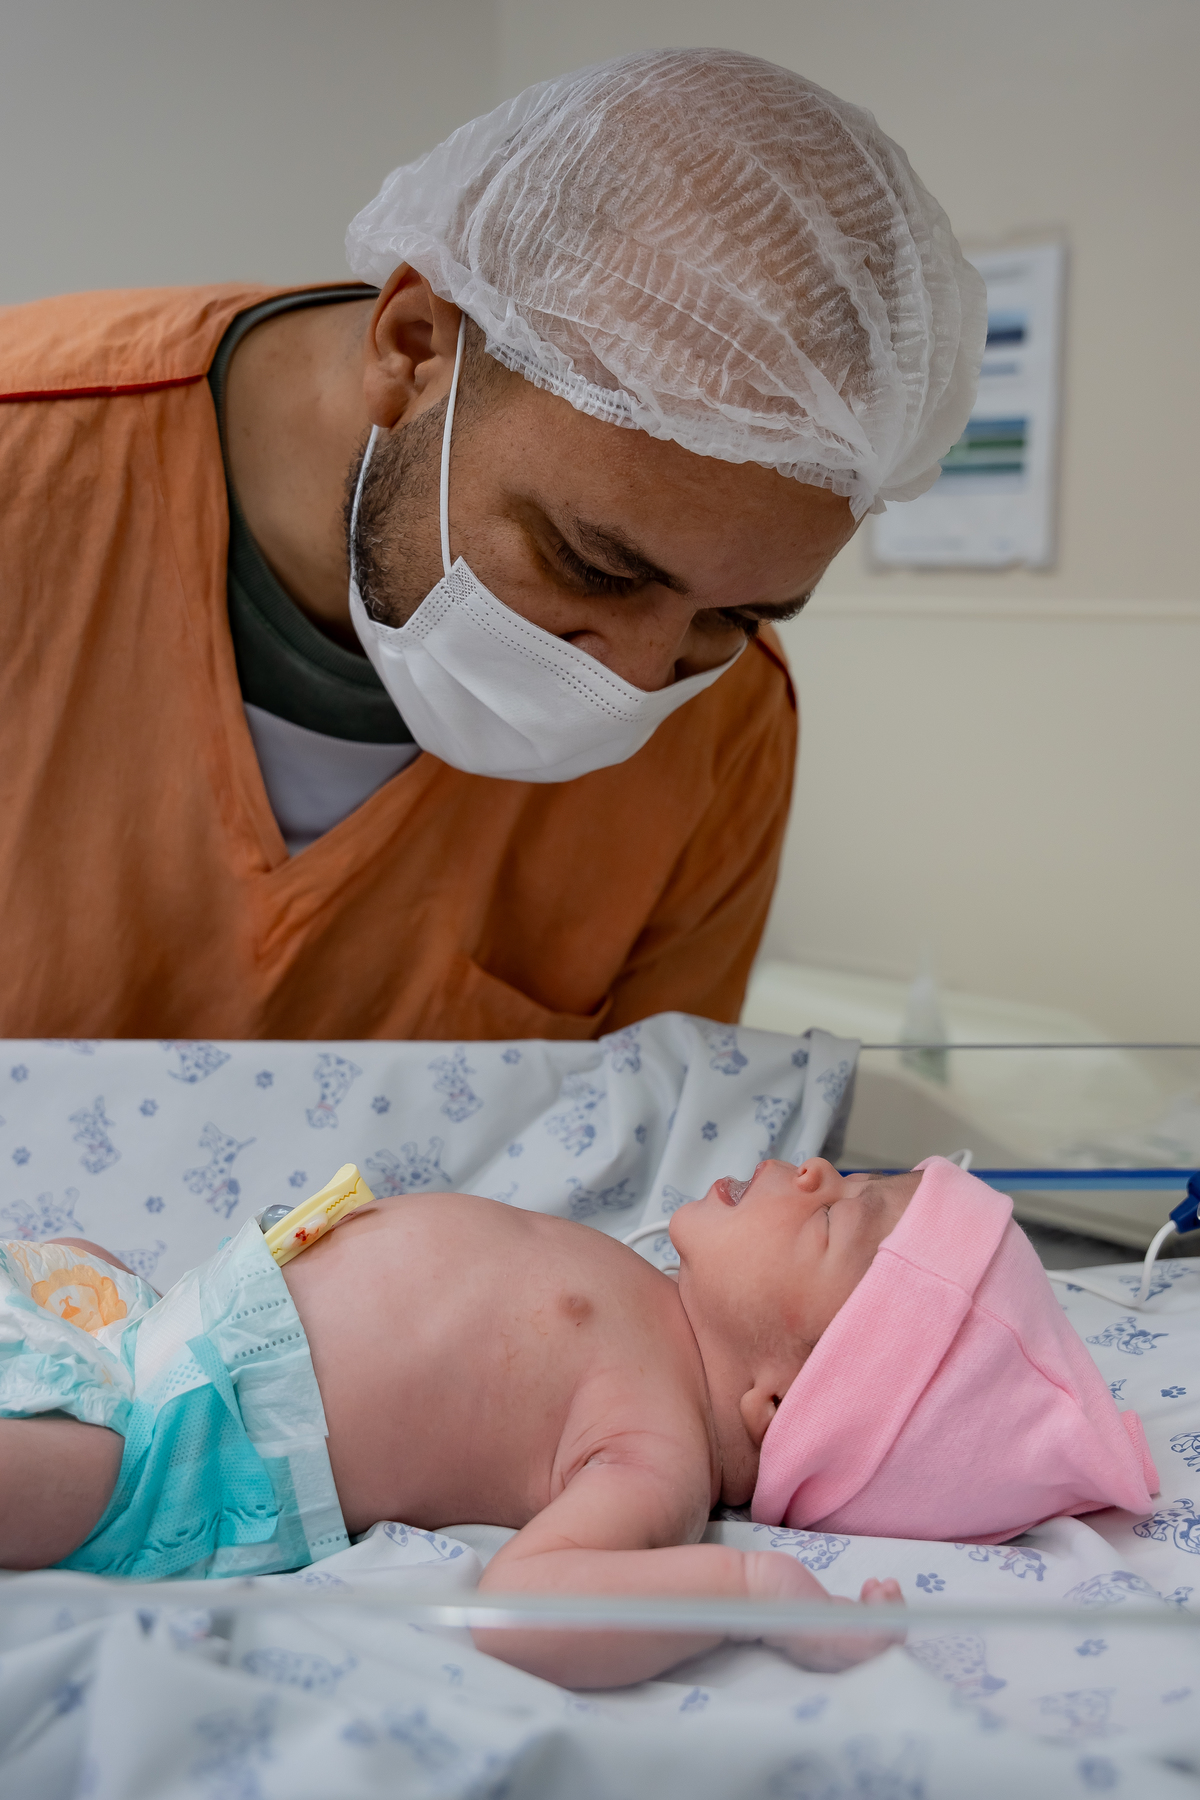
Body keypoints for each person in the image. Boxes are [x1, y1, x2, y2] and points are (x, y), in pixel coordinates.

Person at [0, 49, 985, 1041]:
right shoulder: (28, 473)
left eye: (736, 613)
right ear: (417, 345)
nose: (641, 679)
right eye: (593, 566)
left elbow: (659, 1176)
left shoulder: (729, 733)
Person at [0, 1157, 1155, 1689]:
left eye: (837, 1219)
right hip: (143, 1322)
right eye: (851, 1177)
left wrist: (751, 1594)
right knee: (57, 1272)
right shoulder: (648, 1300)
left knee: (52, 1467)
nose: (813, 1169)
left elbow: (527, 1610)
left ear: (782, 1404)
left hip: (173, 1458)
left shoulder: (652, 1447)